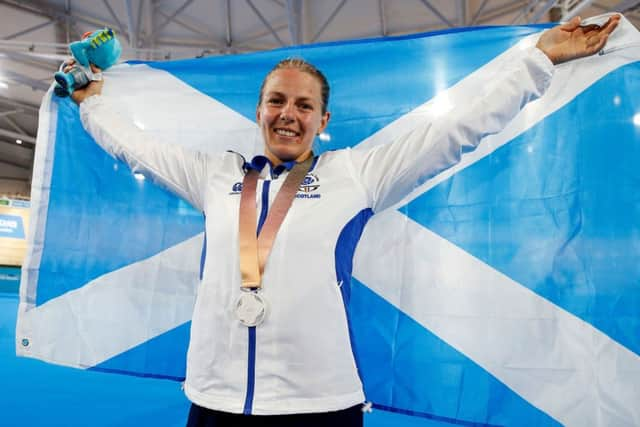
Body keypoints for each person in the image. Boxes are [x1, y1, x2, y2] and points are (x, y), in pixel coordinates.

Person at [67, 15, 619, 427]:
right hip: (214, 400)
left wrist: (538, 59)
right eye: (277, 101)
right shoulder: (213, 176)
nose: (289, 114)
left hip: (321, 404)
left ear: (322, 120)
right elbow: (137, 148)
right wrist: (91, 103)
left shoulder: (357, 175)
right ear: (259, 111)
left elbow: (456, 131)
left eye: (303, 105)